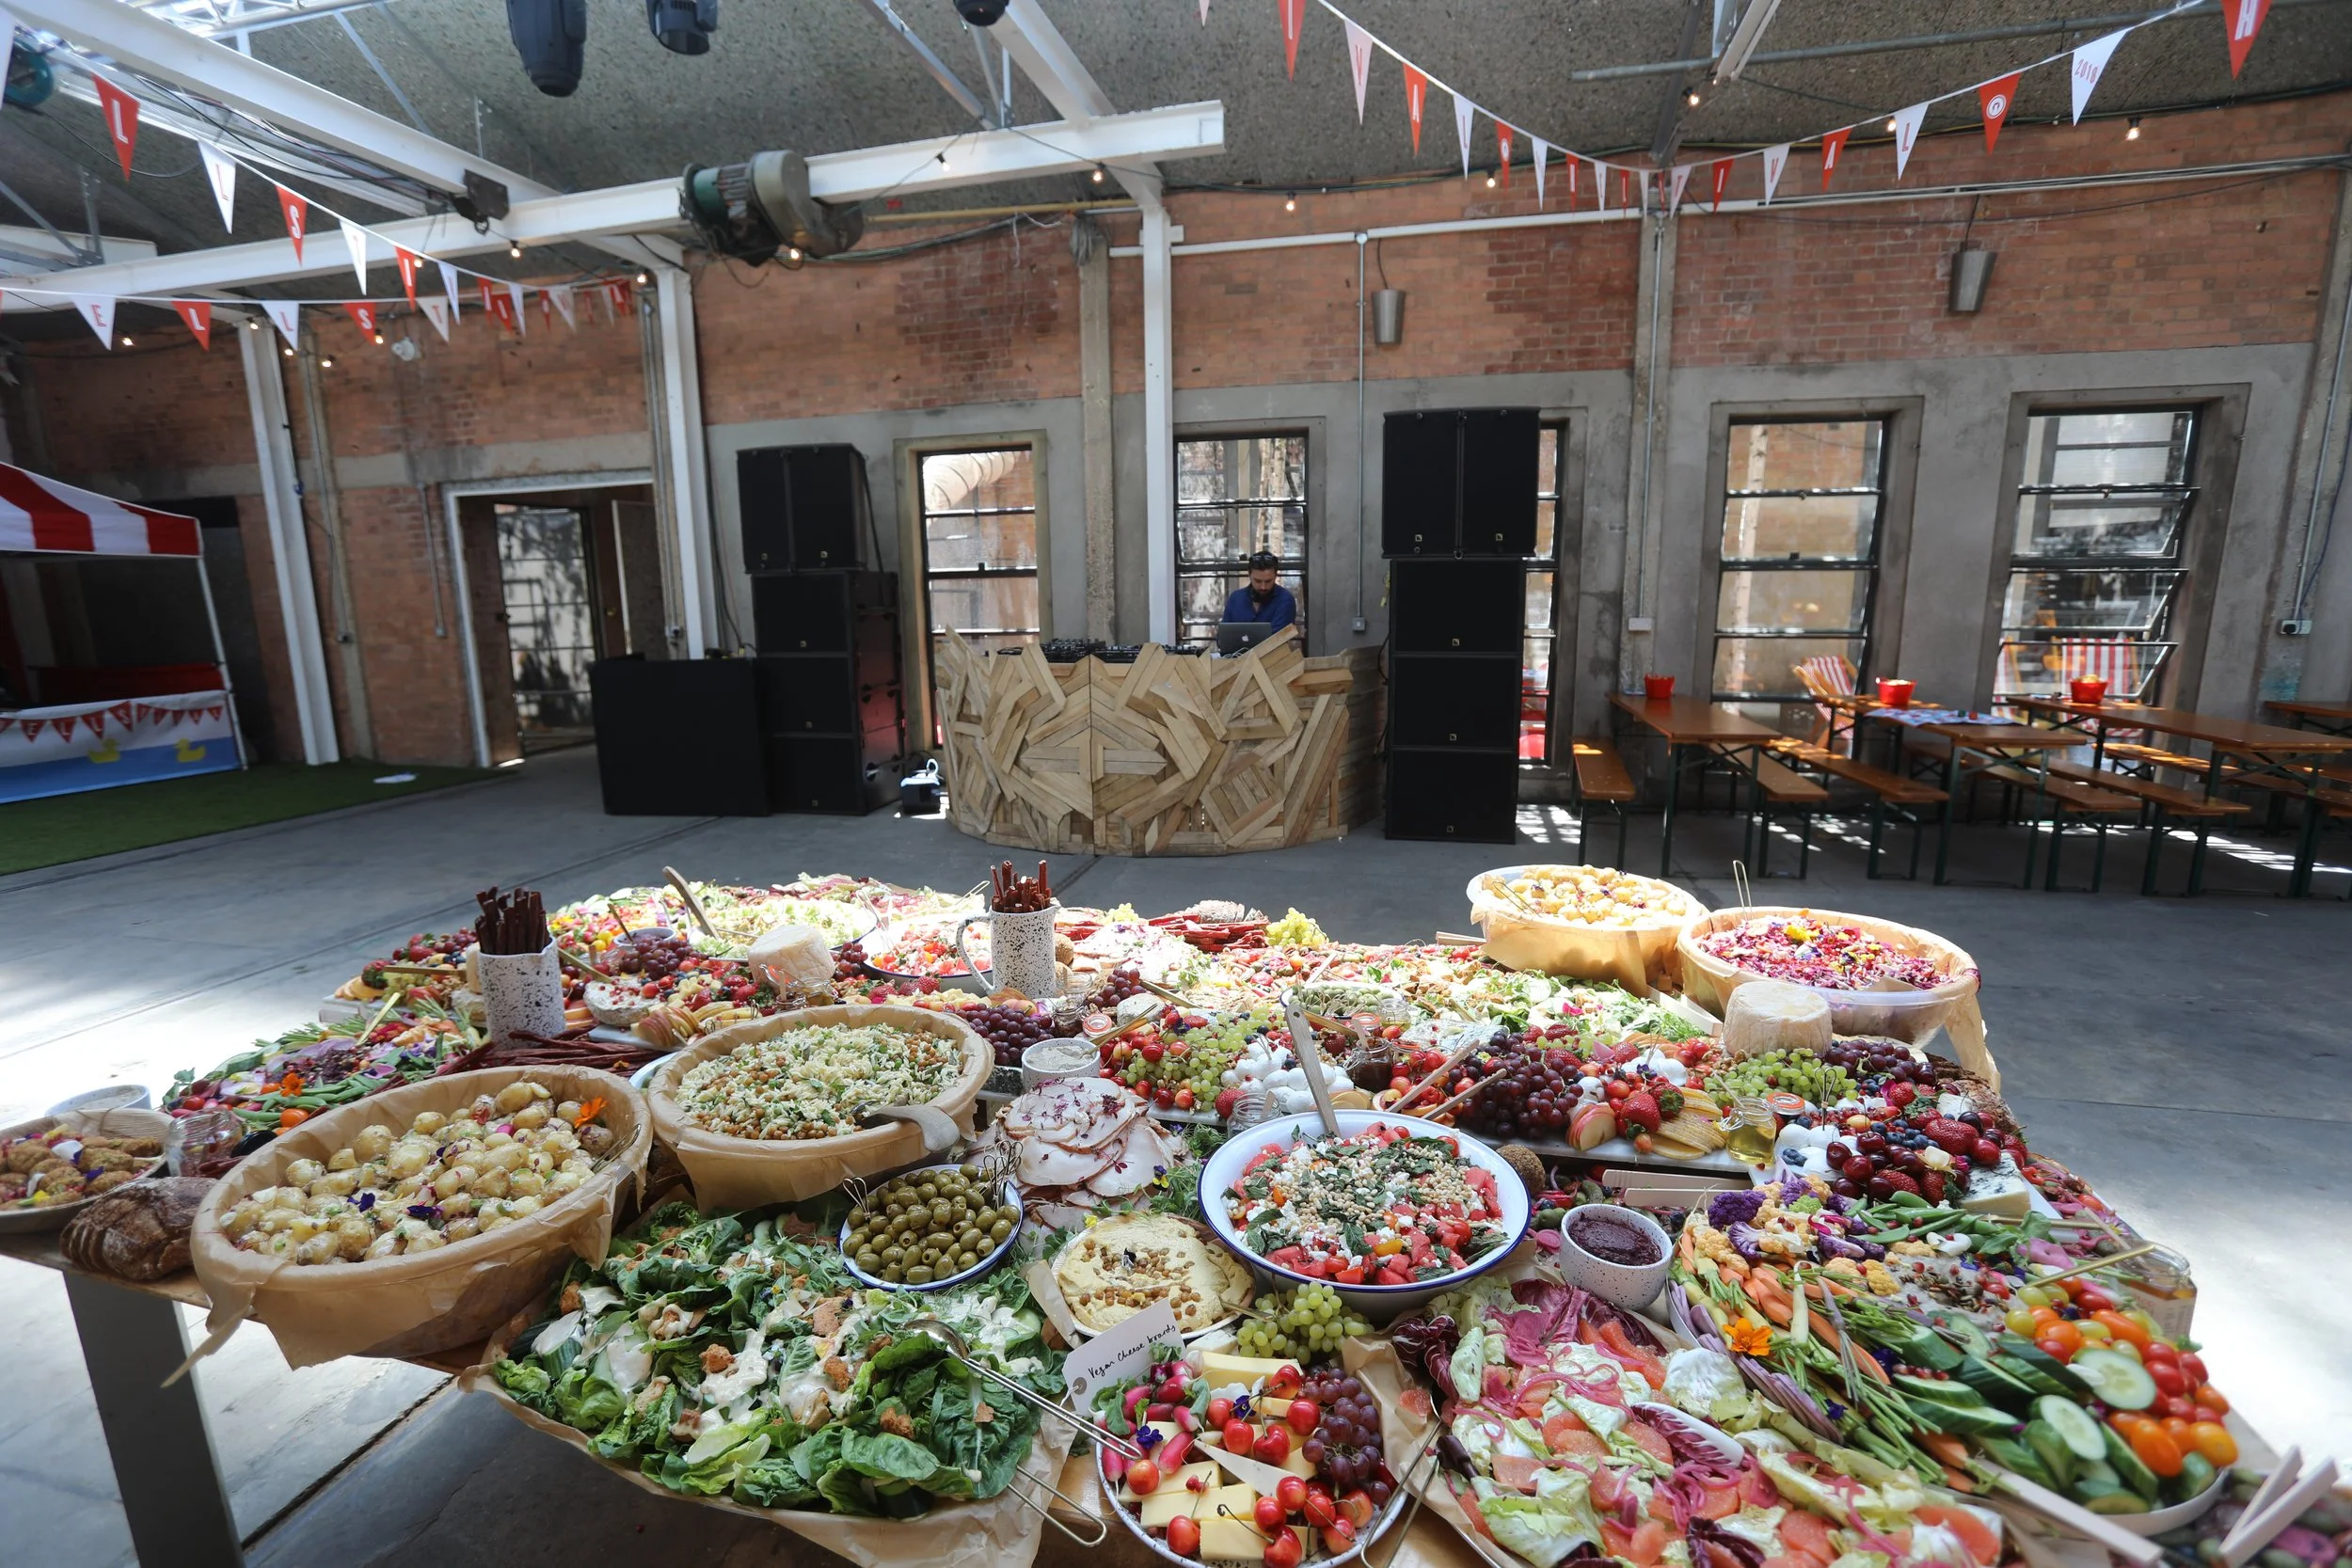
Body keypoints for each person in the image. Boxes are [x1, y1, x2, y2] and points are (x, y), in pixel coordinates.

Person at [1220, 550, 1296, 632]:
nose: (1263, 587)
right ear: (1249, 575)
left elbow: (1278, 638)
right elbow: (1222, 636)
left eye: (1268, 581)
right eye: (1258, 581)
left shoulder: (1285, 600)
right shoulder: (1235, 598)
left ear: (1275, 576)